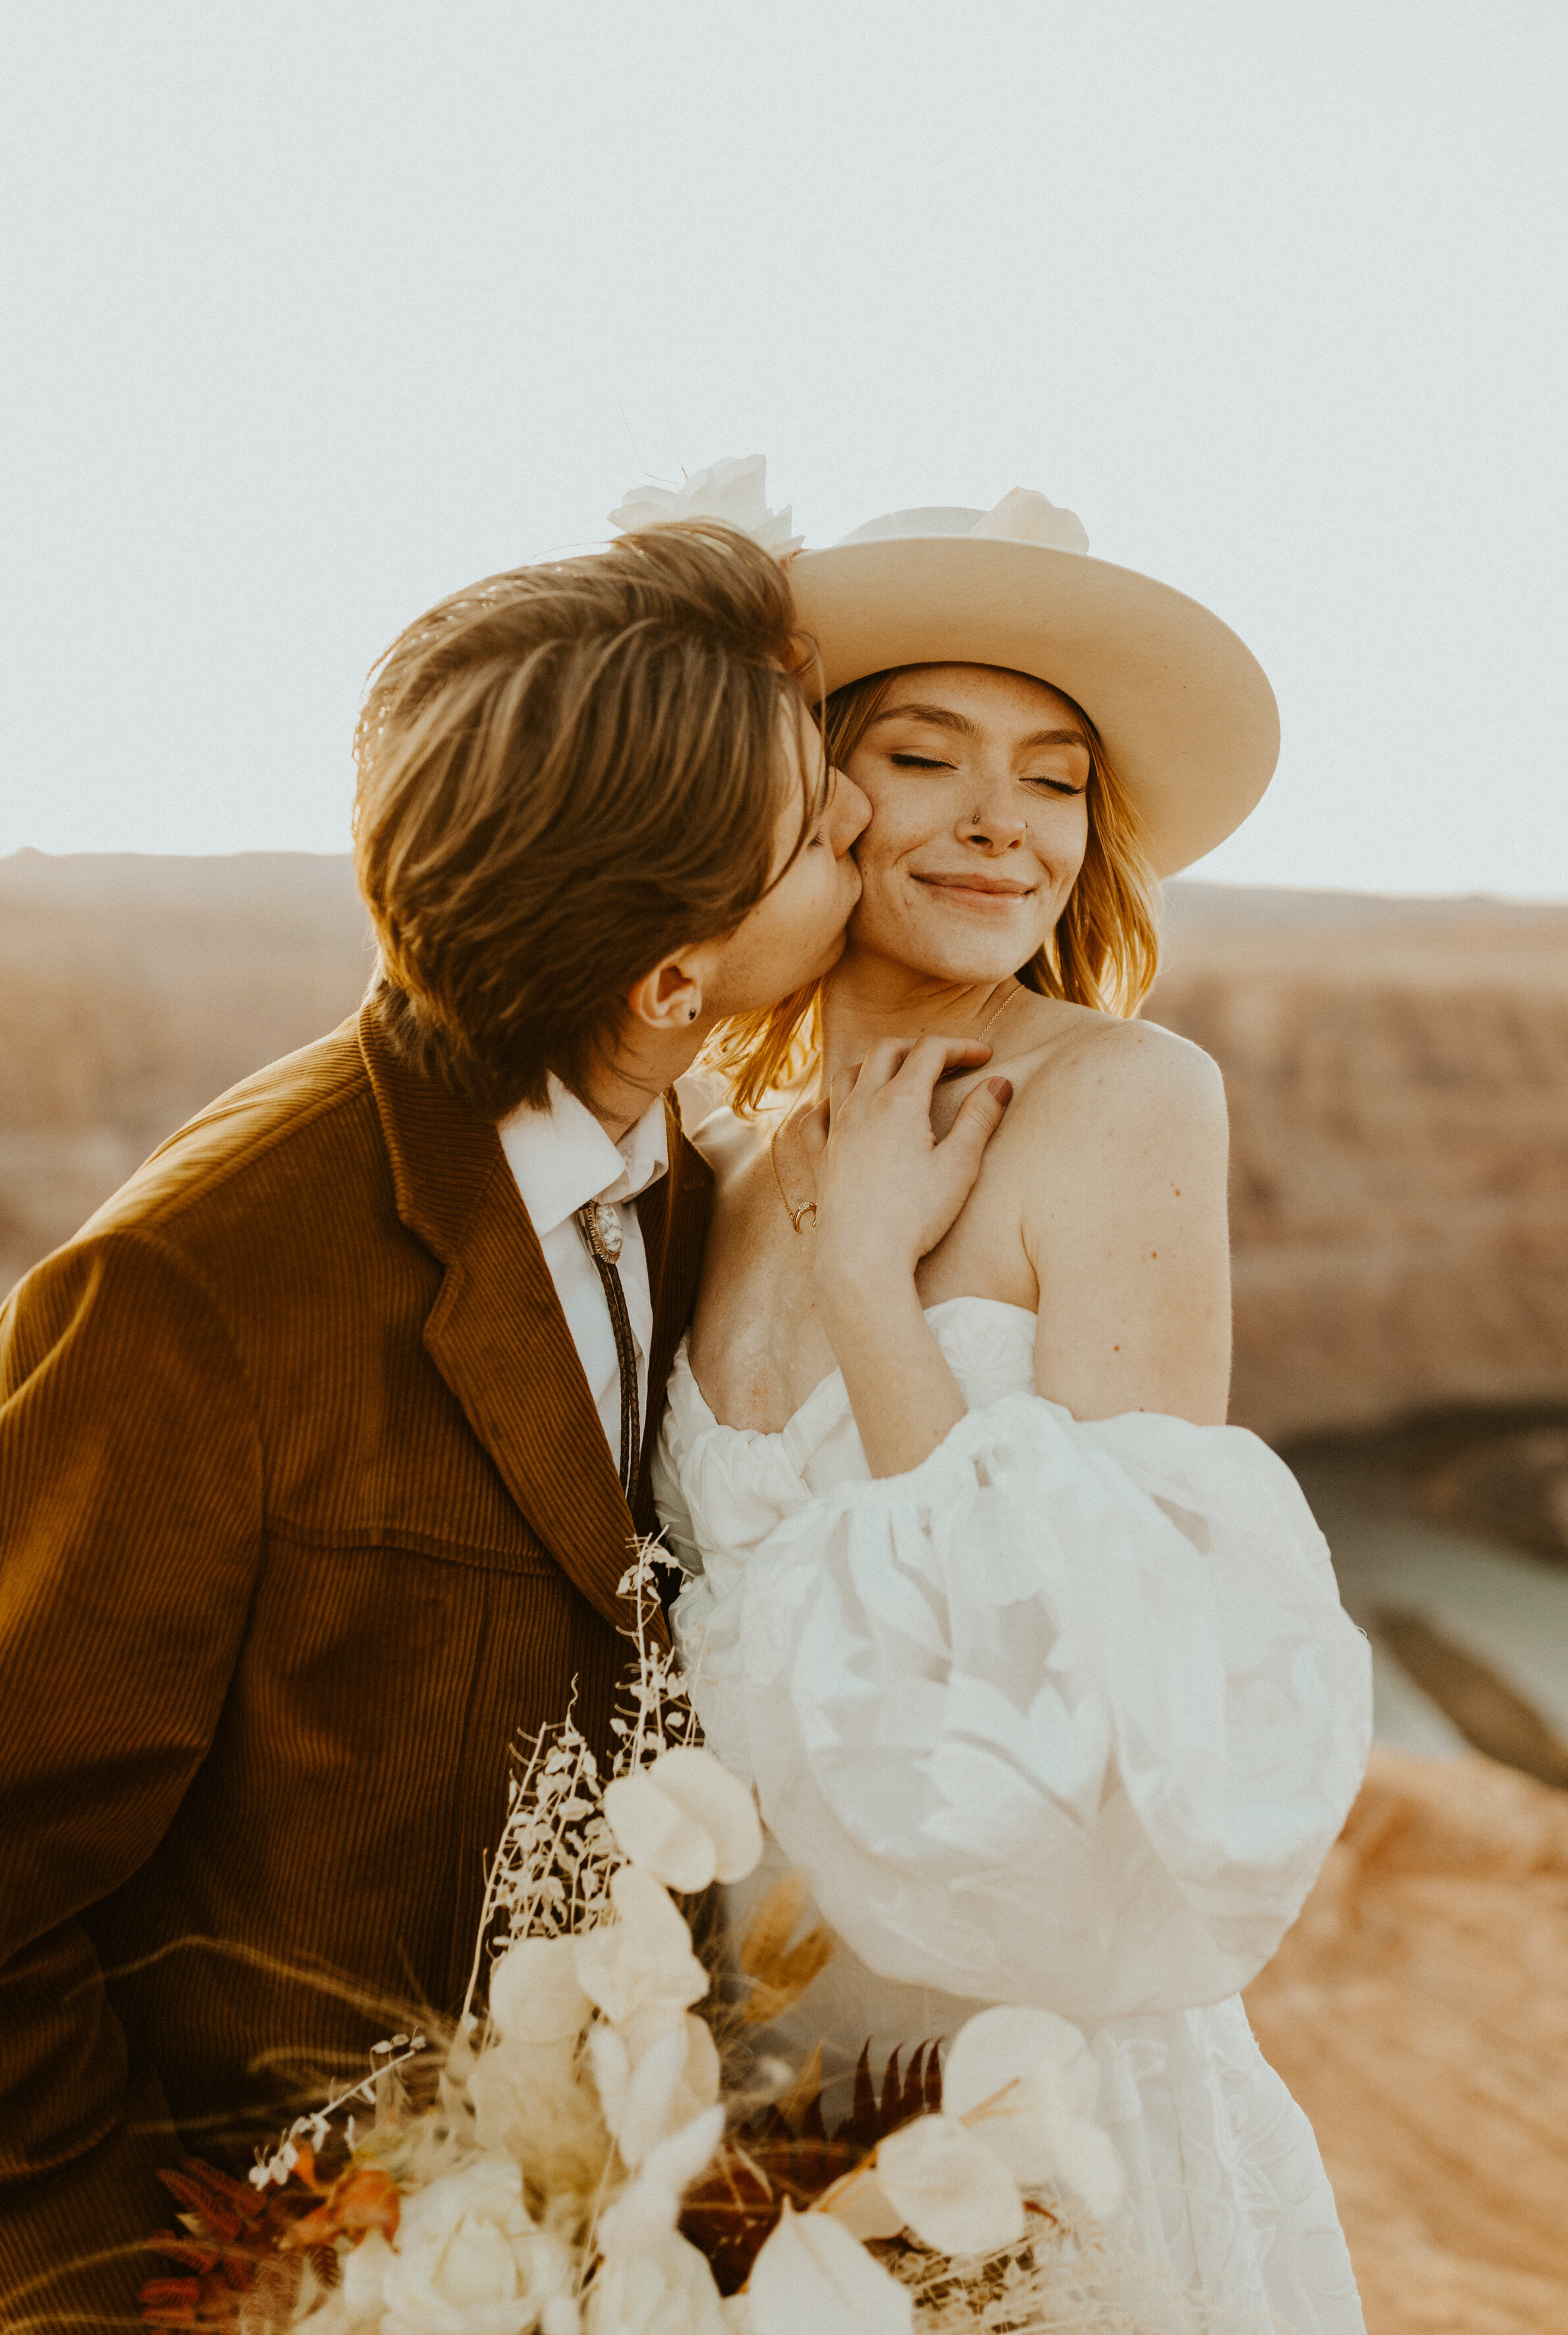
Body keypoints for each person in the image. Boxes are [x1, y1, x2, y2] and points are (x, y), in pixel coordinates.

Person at [0, 516, 868, 2323]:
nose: (862, 822)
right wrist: (125, 2291)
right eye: (814, 829)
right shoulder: (191, 1293)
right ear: (668, 974)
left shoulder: (704, 1204)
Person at [647, 484, 1375, 2330]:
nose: (1002, 824)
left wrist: (870, 1287)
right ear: (810, 794)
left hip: (1020, 2083)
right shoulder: (712, 1163)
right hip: (736, 2077)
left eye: (1053, 776)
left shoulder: (1126, 1099)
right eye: (925, 755)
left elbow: (1096, 1683)